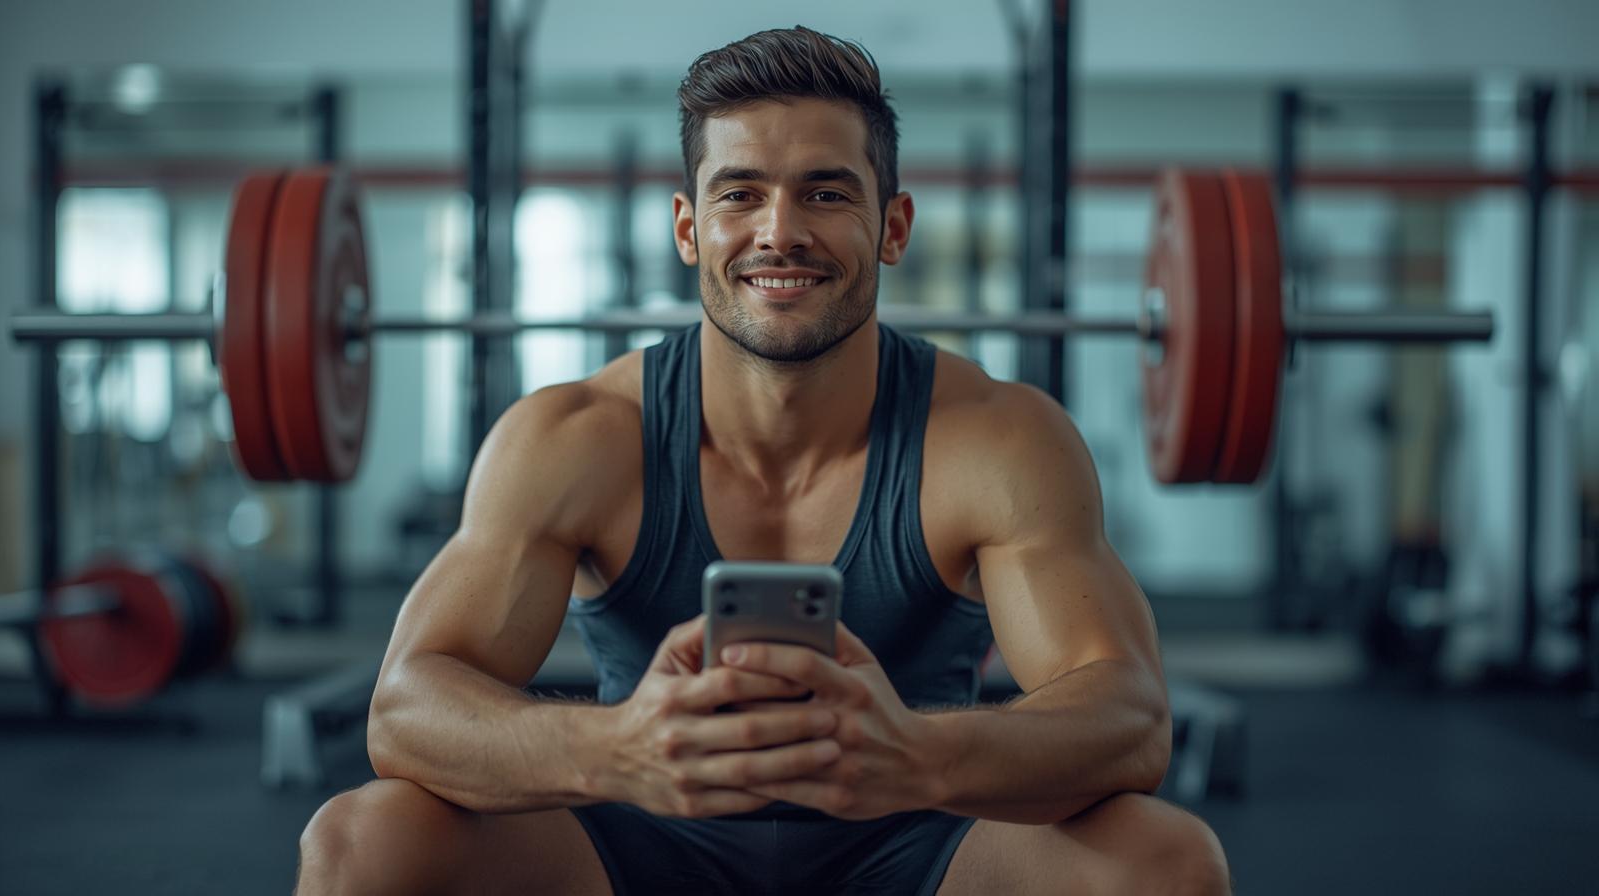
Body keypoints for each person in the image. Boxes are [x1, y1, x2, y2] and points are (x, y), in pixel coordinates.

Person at [298, 26, 1230, 896]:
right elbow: (406, 711)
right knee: (360, 842)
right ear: (688, 228)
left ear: (893, 227)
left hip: (918, 843)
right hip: (638, 838)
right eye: (740, 193)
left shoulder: (1000, 438)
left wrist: (914, 756)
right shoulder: (576, 436)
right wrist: (617, 749)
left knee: (1167, 859)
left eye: (826, 193)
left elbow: (1129, 716)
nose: (779, 231)